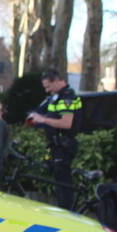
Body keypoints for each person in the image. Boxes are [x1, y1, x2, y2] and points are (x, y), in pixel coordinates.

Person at [27, 68, 82, 209]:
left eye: (48, 86)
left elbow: (66, 123)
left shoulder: (67, 97)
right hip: (55, 146)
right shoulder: (54, 96)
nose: (46, 90)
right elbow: (38, 112)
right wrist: (34, 118)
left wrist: (43, 120)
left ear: (57, 81)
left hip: (64, 146)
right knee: (58, 184)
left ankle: (68, 216)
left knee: (64, 186)